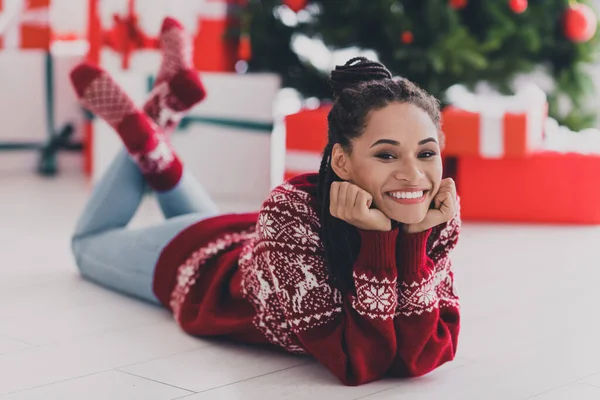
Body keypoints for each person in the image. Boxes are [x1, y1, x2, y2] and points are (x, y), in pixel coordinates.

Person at [69, 17, 461, 387]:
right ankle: (148, 128)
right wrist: (378, 242)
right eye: (387, 155)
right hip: (198, 267)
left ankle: (157, 119)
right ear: (342, 160)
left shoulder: (432, 216)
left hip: (247, 242)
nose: (413, 174)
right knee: (86, 244)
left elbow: (424, 353)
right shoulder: (290, 211)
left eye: (426, 154)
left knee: (182, 215)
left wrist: (413, 240)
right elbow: (360, 362)